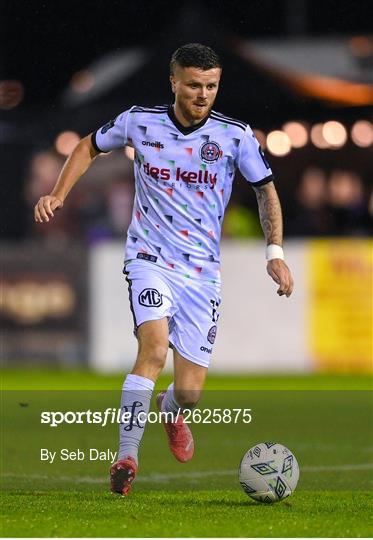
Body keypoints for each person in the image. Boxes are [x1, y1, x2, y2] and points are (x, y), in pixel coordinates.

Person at [34, 43, 294, 495]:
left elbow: (265, 191)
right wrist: (59, 194)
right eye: (194, 85)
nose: (203, 95)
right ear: (173, 81)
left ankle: (170, 410)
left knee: (190, 392)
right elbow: (86, 147)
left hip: (202, 274)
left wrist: (275, 253)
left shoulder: (235, 136)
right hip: (149, 260)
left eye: (211, 86)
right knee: (152, 351)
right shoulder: (140, 121)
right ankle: (126, 456)